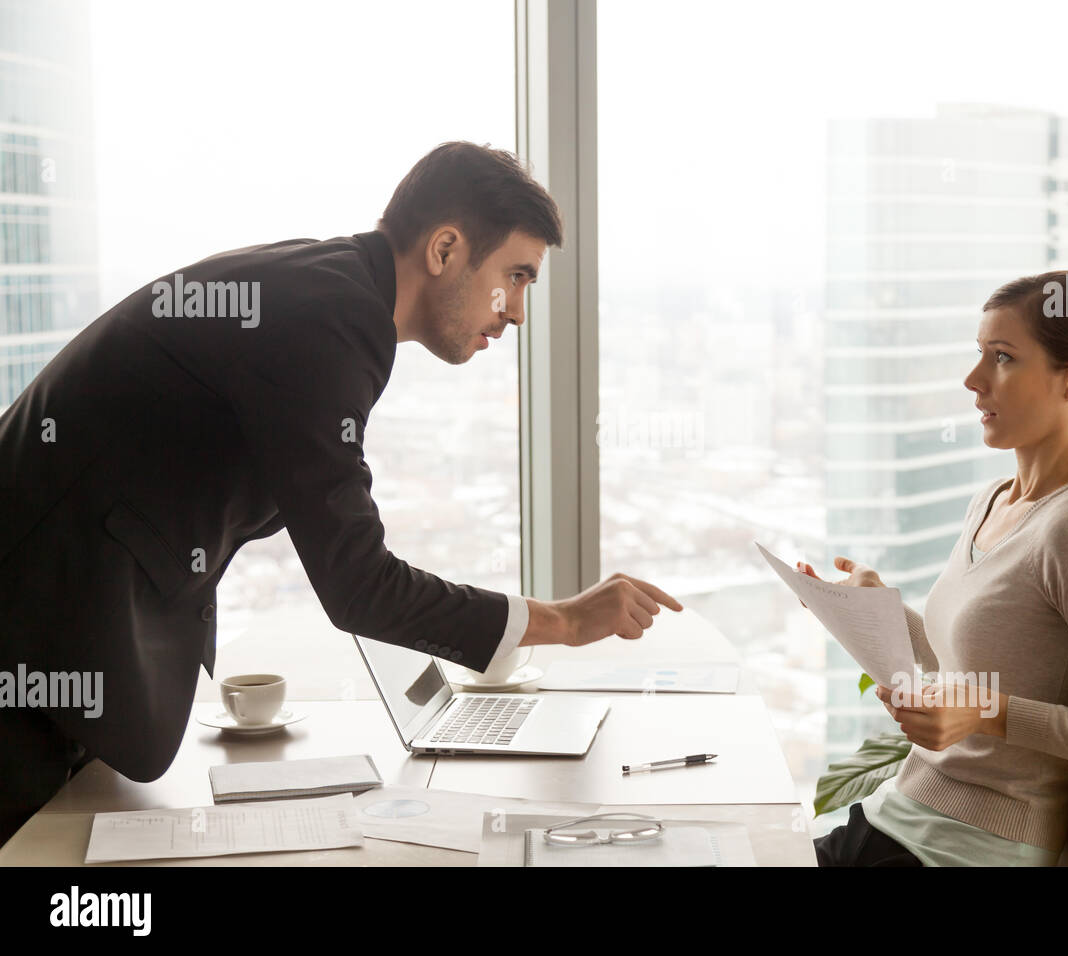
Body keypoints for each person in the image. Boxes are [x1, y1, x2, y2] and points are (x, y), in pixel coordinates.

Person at [0, 142, 681, 846]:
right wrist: (561, 623)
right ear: (446, 249)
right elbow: (357, 583)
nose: (516, 314)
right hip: (31, 620)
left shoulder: (334, 293)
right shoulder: (331, 319)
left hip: (62, 624)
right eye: (515, 276)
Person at [807, 270, 1068, 866]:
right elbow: (969, 666)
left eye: (1002, 358)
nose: (973, 381)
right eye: (979, 354)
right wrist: (878, 610)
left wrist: (989, 714)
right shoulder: (994, 500)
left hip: (961, 851)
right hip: (897, 820)